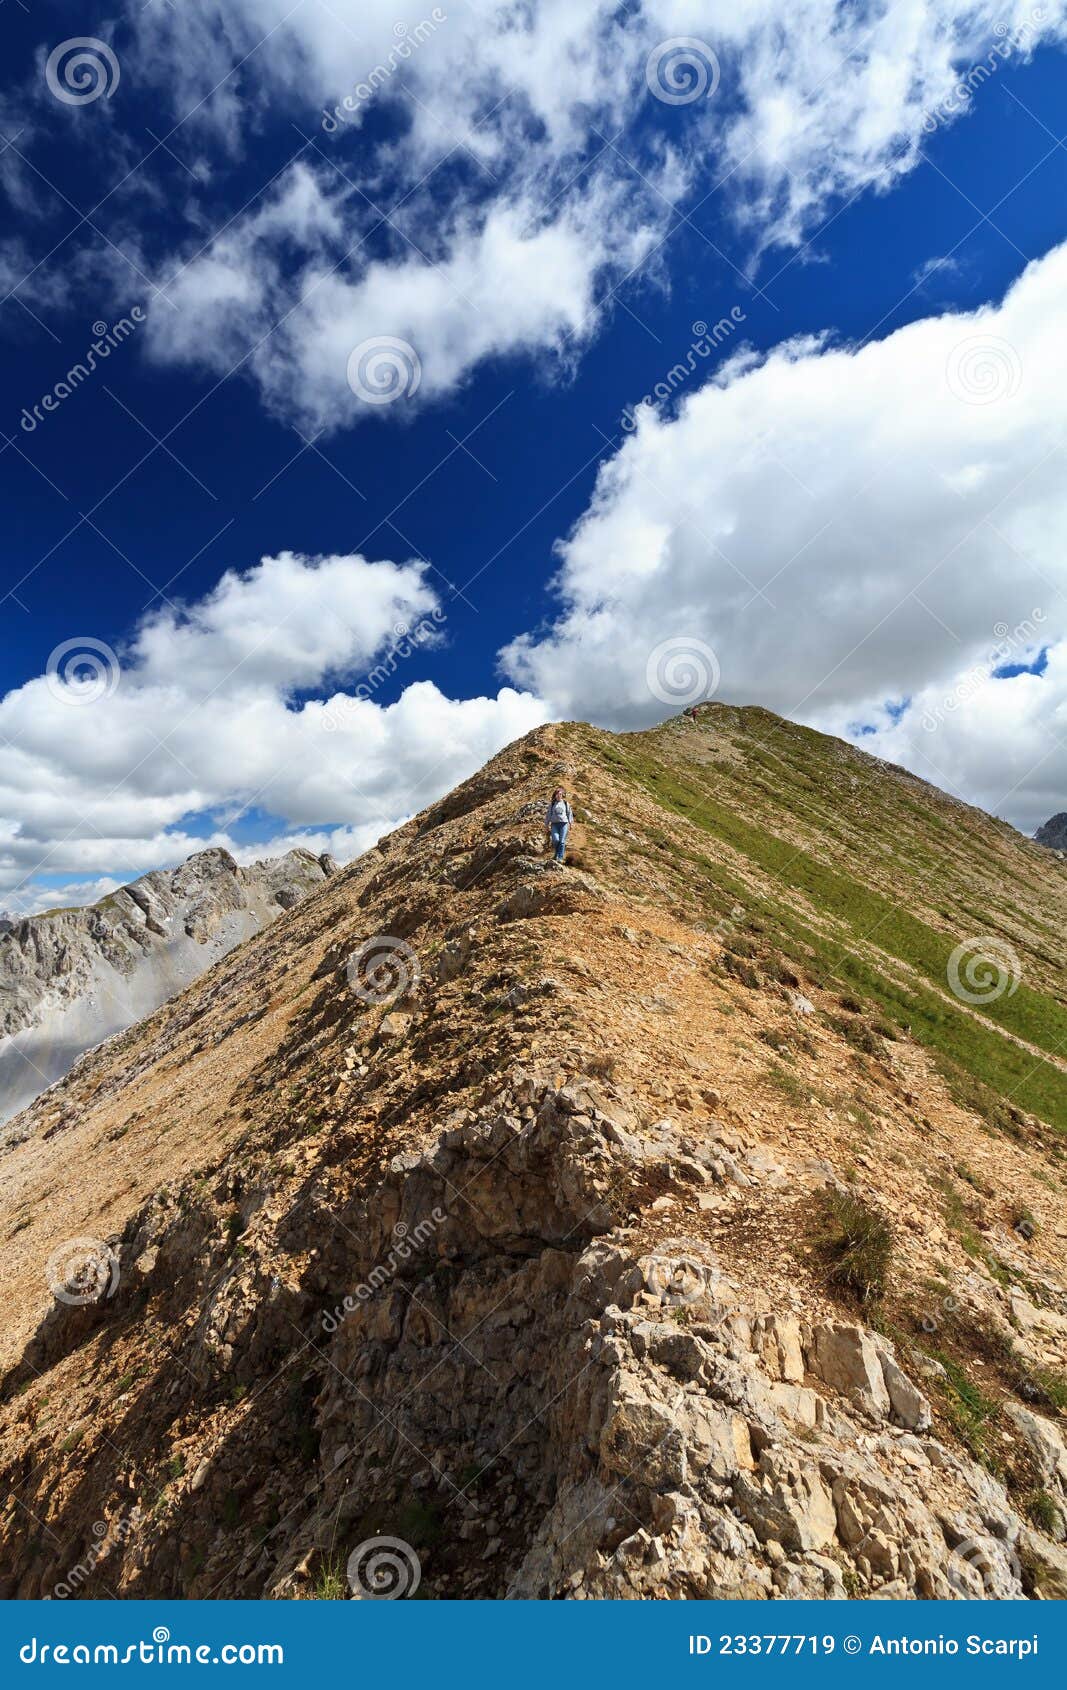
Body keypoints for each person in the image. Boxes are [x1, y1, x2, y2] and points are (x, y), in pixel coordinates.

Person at [545, 786, 574, 863]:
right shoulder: (552, 804)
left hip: (564, 824)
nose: (559, 795)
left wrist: (571, 823)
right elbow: (548, 815)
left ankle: (560, 857)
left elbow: (569, 813)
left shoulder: (565, 803)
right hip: (554, 824)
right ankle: (556, 853)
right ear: (555, 795)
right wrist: (547, 825)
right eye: (557, 794)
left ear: (562, 795)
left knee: (562, 841)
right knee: (556, 840)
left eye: (560, 794)